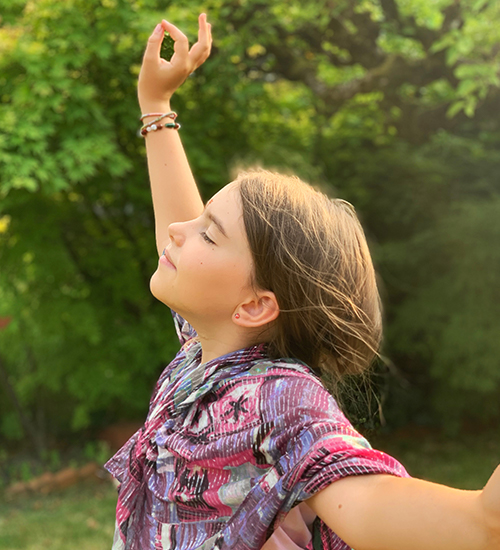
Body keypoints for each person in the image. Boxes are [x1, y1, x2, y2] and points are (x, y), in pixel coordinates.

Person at [104, 13, 500, 550]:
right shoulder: (204, 357)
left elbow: (366, 503)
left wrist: (480, 519)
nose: (177, 230)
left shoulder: (280, 397)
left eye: (209, 235)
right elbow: (182, 242)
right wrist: (156, 109)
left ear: (255, 304)